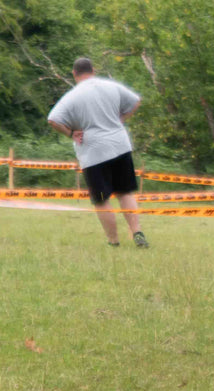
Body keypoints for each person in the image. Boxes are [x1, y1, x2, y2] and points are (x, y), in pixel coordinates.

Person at [47, 57, 148, 248]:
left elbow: (53, 119)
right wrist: (121, 119)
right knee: (125, 193)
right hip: (120, 145)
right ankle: (137, 232)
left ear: (74, 74)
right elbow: (135, 101)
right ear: (93, 70)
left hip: (93, 152)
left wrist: (70, 133)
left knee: (101, 200)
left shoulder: (72, 96)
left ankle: (113, 241)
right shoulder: (111, 86)